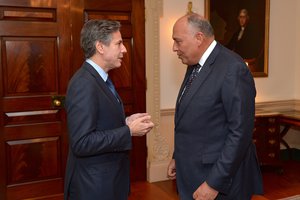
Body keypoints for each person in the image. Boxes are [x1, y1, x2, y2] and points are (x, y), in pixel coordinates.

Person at [167, 13, 263, 200]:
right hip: (192, 172)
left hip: (217, 180)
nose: (174, 48)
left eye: (178, 41)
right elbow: (191, 119)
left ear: (199, 38)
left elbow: (240, 133)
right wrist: (177, 156)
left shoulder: (232, 68)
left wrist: (214, 183)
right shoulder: (194, 65)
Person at [64, 19, 154, 200]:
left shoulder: (100, 78)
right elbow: (82, 142)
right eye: (119, 43)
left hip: (107, 181)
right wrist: (128, 131)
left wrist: (126, 122)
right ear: (100, 47)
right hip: (94, 187)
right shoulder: (84, 83)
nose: (124, 49)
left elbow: (100, 123)